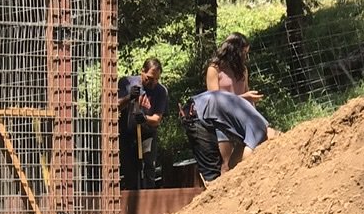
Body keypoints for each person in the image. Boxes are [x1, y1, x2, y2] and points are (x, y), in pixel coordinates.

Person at [180, 90, 277, 184]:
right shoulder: (259, 131)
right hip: (196, 114)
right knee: (211, 174)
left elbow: (233, 163)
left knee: (216, 172)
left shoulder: (255, 124)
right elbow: (246, 162)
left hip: (198, 106)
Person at [205, 33, 264, 172]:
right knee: (226, 164)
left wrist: (254, 113)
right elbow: (215, 100)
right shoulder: (214, 69)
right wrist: (244, 97)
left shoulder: (243, 70)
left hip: (243, 119)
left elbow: (246, 92)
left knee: (244, 158)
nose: (246, 57)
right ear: (234, 51)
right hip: (222, 121)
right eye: (244, 53)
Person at [118, 57, 168, 190]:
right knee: (130, 171)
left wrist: (145, 119)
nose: (153, 82)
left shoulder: (161, 91)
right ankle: (133, 197)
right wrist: (129, 97)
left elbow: (157, 119)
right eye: (150, 78)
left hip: (147, 135)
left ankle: (148, 196)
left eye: (157, 79)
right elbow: (115, 106)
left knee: (148, 168)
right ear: (142, 72)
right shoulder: (127, 83)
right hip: (128, 135)